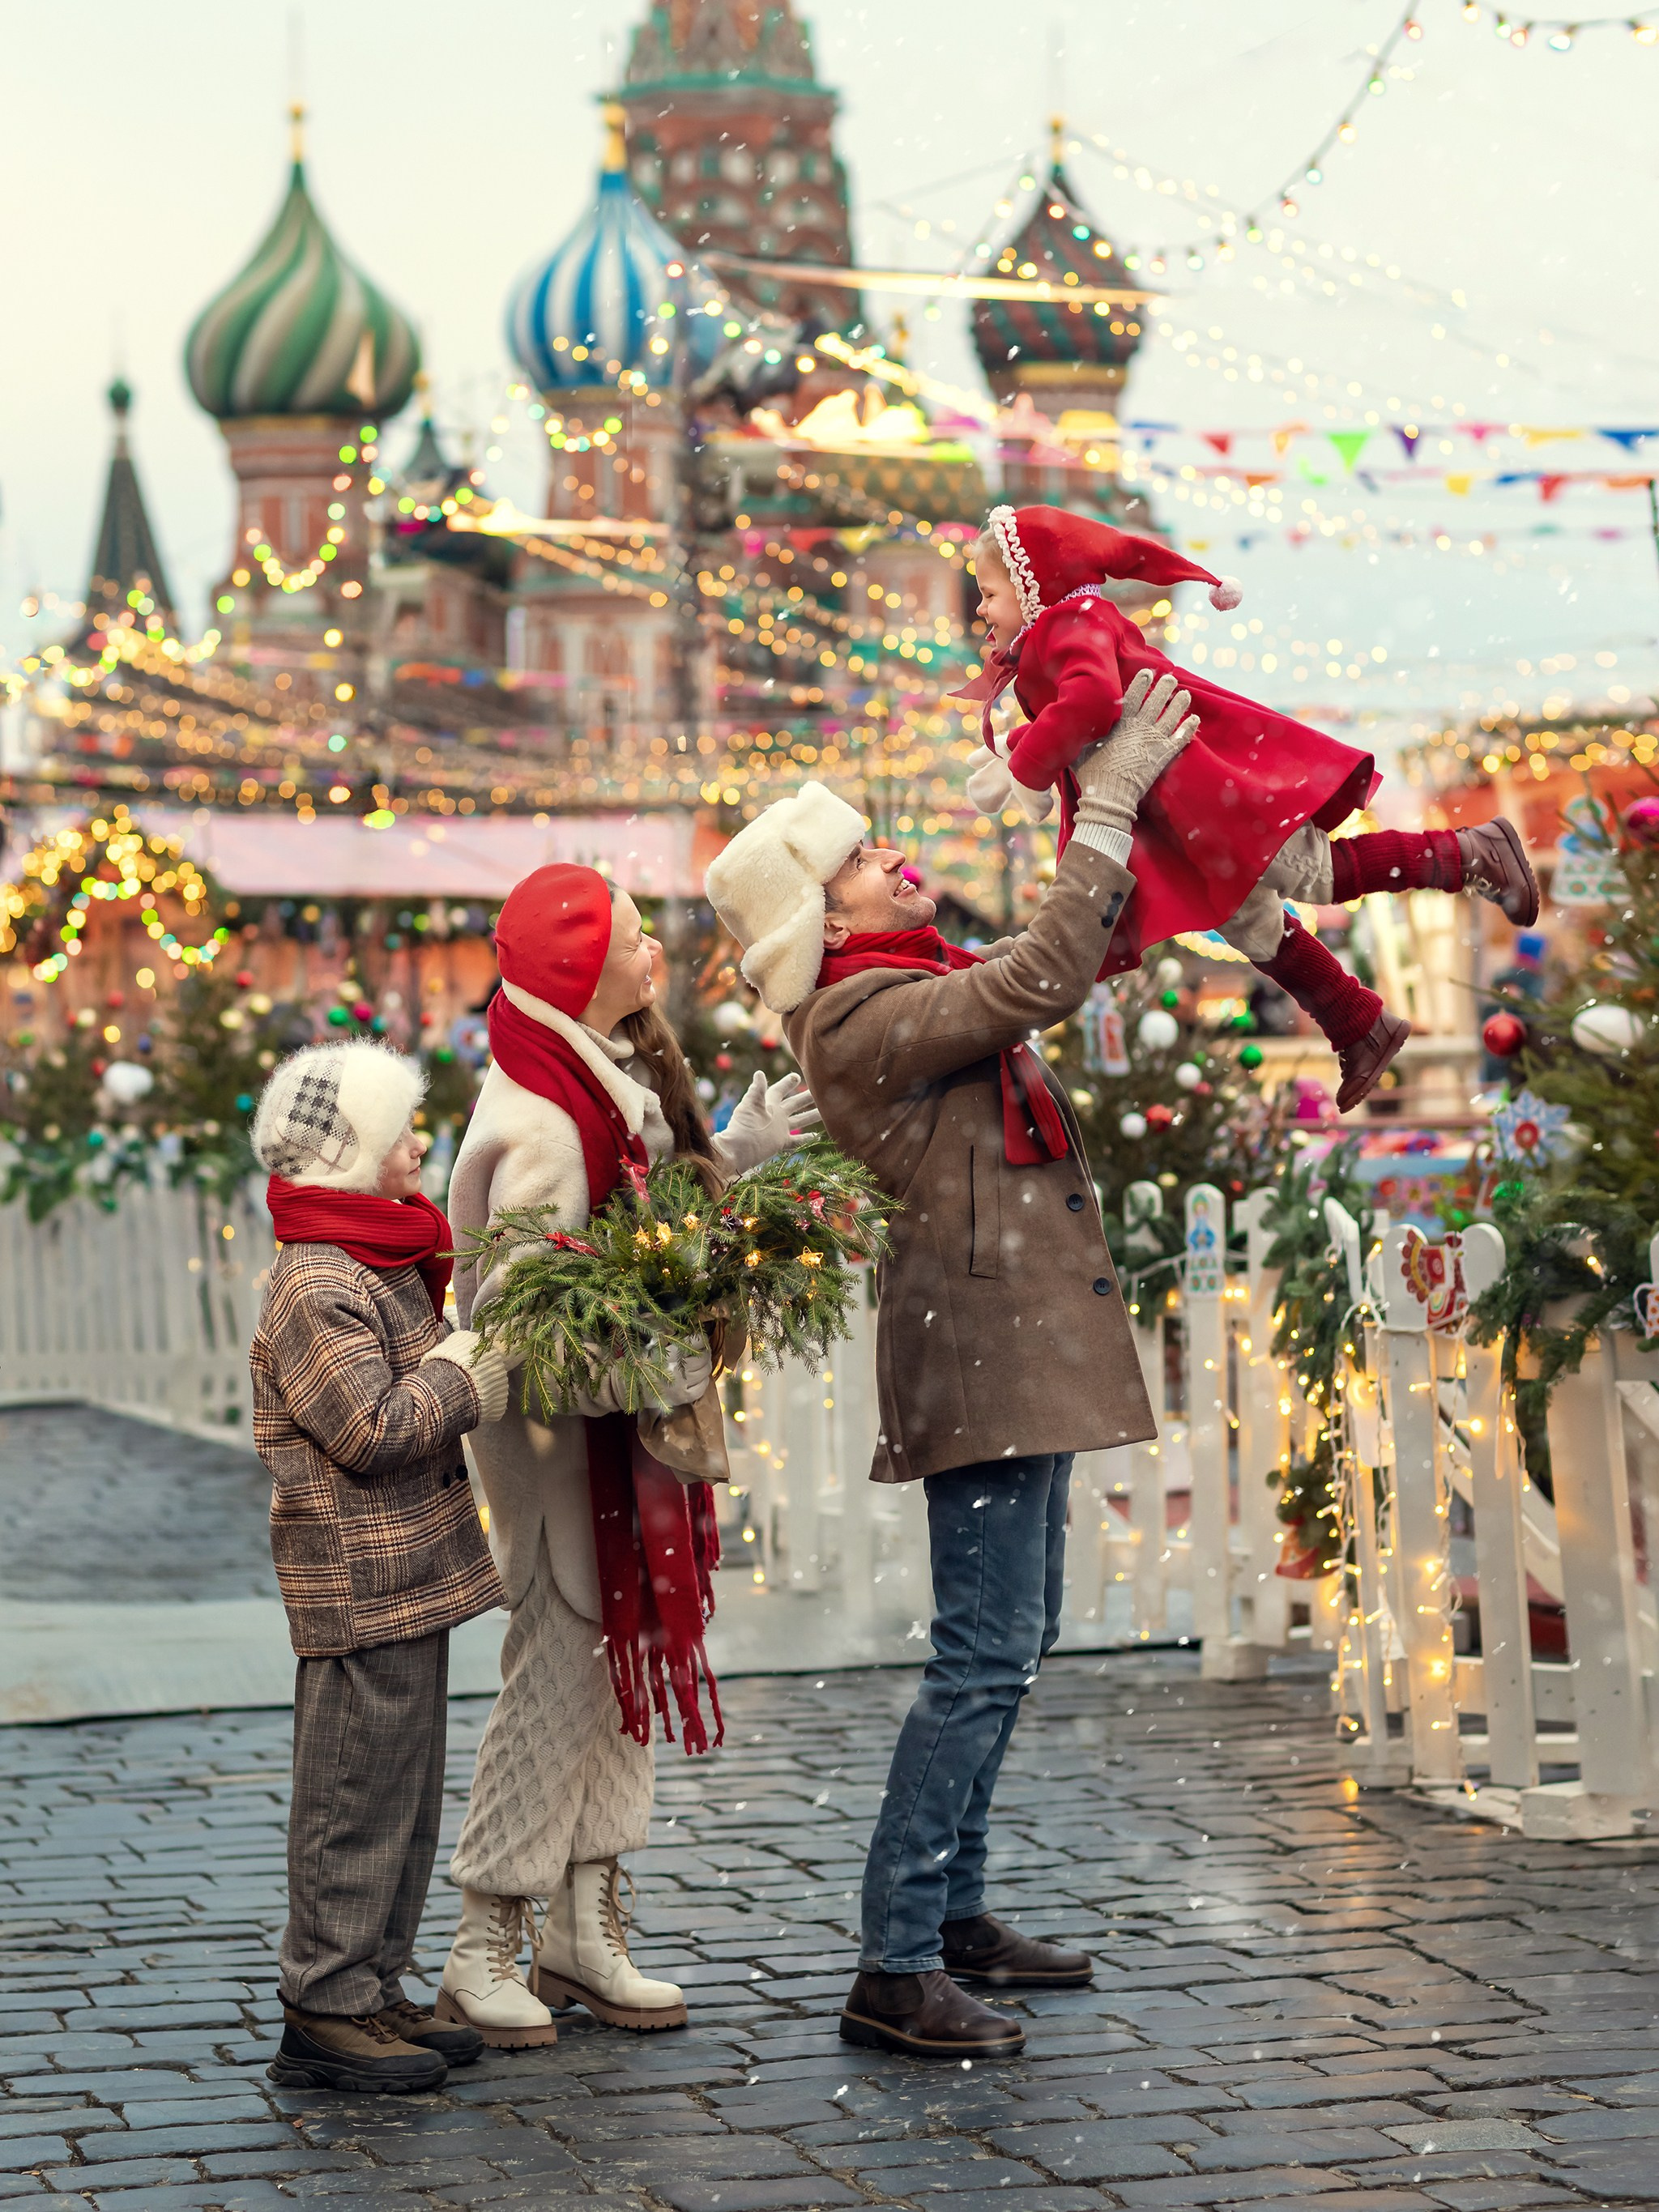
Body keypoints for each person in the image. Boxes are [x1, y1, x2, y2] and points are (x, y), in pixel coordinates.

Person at [705, 671, 1197, 2059]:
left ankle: (957, 1916)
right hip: (976, 1355)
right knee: (979, 1656)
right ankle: (894, 1958)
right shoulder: (860, 1020)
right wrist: (1099, 804)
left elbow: (1056, 959)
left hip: (1008, 1343)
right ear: (825, 913)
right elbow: (1037, 972)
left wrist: (1110, 814)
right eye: (860, 855)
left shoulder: (907, 981)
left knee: (1013, 1638)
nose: (891, 857)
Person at [437, 863, 818, 2044]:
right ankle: (483, 1938)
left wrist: (736, 1162)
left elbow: (641, 1239)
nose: (656, 949)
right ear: (581, 963)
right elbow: (521, 1317)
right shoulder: (545, 1120)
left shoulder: (600, 1084)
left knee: (615, 1676)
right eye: (635, 934)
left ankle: (582, 1921)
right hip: (563, 1452)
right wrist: (648, 1360)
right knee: (558, 1676)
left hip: (607, 1445)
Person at [959, 504, 1540, 1111]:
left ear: (1033, 586)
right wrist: (1021, 748)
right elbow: (1081, 721)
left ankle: (1470, 852)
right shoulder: (1060, 632)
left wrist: (1027, 766)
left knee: (1312, 872)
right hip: (1176, 809)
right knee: (1248, 919)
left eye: (989, 592)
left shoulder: (1070, 622)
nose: (980, 608)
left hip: (1203, 792)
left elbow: (1094, 702)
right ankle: (1359, 1024)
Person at [249, 1039, 511, 2095]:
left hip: (409, 1571)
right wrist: (460, 1370)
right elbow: (368, 1425)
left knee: (402, 1795)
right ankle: (323, 1999)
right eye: (400, 1126)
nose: (420, 1140)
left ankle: (371, 1978)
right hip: (357, 1581)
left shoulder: (378, 1255)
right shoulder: (317, 1278)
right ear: (349, 1148)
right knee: (353, 1793)